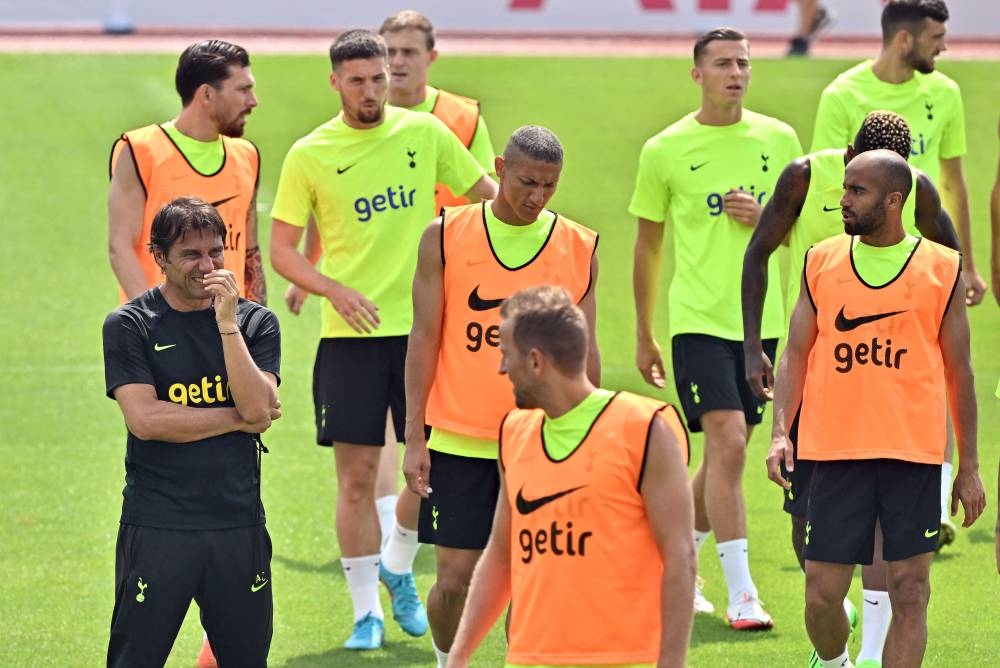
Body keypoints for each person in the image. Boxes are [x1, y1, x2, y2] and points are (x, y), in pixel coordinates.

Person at [268, 29, 496, 651]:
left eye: (380, 78)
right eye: (358, 80)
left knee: (433, 471)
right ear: (335, 82)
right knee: (356, 479)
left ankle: (398, 562)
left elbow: (491, 199)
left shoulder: (425, 135)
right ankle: (366, 610)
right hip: (351, 338)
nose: (372, 90)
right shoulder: (309, 154)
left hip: (429, 333)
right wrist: (331, 290)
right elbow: (282, 251)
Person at [741, 110, 961, 665]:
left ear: (897, 191)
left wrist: (959, 462)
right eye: (849, 181)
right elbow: (766, 264)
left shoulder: (922, 217)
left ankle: (867, 655)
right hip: (823, 415)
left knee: (901, 577)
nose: (847, 197)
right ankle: (835, 654)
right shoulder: (809, 202)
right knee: (815, 571)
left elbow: (955, 360)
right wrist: (778, 424)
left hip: (902, 436)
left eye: (861, 188)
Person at [403, 125, 599, 668]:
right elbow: (423, 338)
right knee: (452, 584)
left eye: (550, 186)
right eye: (527, 182)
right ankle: (448, 661)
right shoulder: (444, 235)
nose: (537, 197)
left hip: (543, 441)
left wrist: (592, 440)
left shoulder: (578, 246)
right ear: (499, 166)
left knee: (535, 583)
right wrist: (415, 438)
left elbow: (587, 355)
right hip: (460, 441)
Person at [630, 26, 802, 629]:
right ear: (696, 74)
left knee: (723, 461)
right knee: (727, 444)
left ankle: (677, 563)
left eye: (744, 63)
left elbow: (804, 237)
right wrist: (645, 331)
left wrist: (768, 221)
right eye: (724, 63)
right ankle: (743, 594)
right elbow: (648, 247)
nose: (736, 73)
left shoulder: (781, 140)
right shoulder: (665, 149)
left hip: (764, 326)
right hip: (698, 322)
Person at [810, 0, 985, 553]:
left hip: (926, 261)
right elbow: (830, 182)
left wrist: (969, 265)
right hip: (864, 262)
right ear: (905, 39)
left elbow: (954, 185)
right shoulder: (842, 95)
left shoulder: (946, 94)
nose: (945, 46)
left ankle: (935, 492)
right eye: (937, 36)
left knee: (942, 365)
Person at [446, 285, 695, 668]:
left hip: (626, 660)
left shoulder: (645, 428)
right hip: (530, 659)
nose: (500, 368)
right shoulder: (514, 432)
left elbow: (680, 556)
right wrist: (457, 657)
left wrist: (672, 664)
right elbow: (501, 553)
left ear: (534, 361)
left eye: (505, 355)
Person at [102, 196, 281, 668]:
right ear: (158, 257)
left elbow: (259, 409)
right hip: (160, 526)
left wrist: (226, 327)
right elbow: (146, 420)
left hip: (237, 524)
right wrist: (239, 418)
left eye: (216, 252)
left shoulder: (255, 323)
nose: (208, 266)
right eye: (191, 255)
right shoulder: (130, 325)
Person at [373, 8, 500, 603]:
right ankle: (397, 553)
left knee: (437, 439)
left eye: (406, 51)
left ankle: (396, 556)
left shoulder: (461, 117)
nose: (396, 62)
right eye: (388, 51)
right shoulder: (363, 111)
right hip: (380, 302)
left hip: (456, 296)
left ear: (431, 56)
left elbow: (493, 197)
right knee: (412, 441)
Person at [109, 40, 266, 307]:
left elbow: (249, 251)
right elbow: (120, 248)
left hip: (228, 328)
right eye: (243, 90)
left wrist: (258, 321)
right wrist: (154, 321)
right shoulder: (140, 150)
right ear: (206, 95)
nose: (253, 101)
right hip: (161, 331)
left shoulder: (247, 155)